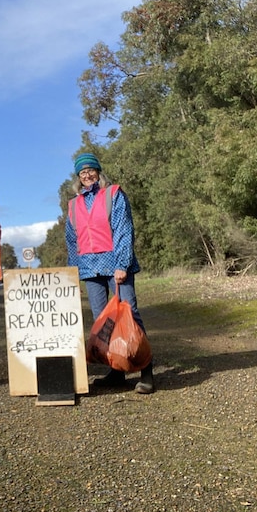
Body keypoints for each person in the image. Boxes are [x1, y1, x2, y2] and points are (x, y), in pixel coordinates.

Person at [65, 152, 155, 394]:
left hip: (116, 265)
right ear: (78, 177)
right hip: (89, 267)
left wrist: (122, 264)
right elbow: (72, 240)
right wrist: (74, 270)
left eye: (90, 170)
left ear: (98, 172)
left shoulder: (113, 194)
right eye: (82, 172)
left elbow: (124, 228)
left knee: (130, 316)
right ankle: (116, 372)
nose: (87, 175)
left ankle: (147, 372)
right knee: (104, 322)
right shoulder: (73, 205)